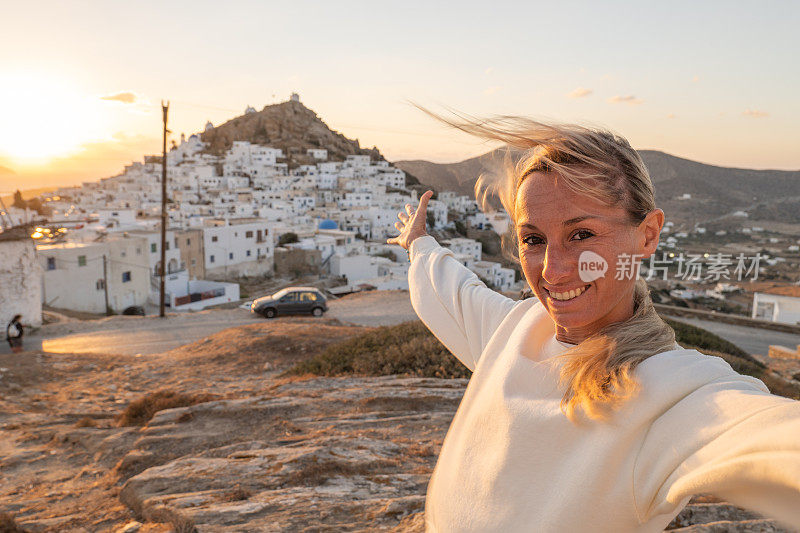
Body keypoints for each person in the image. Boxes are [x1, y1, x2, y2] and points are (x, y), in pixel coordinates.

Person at [387, 115, 800, 532]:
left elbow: (762, 433)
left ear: (648, 235)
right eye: (533, 239)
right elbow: (446, 290)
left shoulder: (674, 390)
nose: (553, 271)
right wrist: (419, 243)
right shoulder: (513, 328)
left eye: (582, 234)